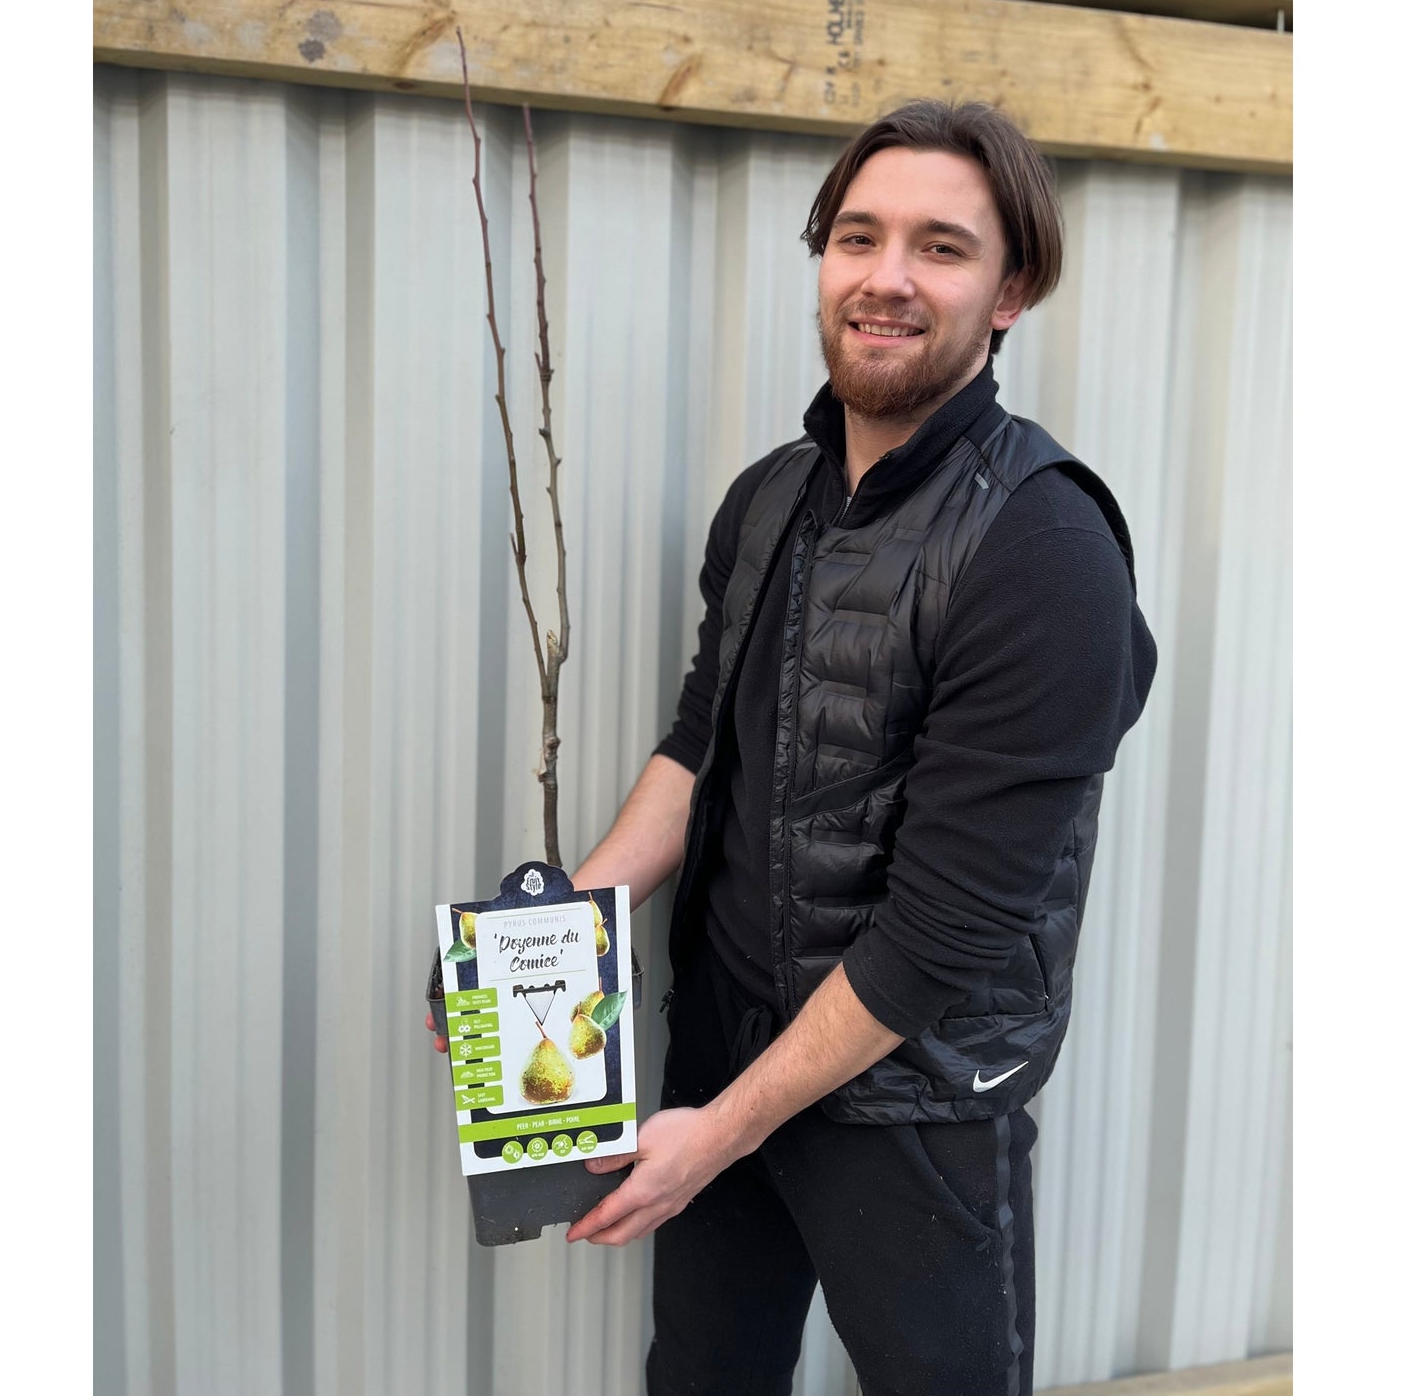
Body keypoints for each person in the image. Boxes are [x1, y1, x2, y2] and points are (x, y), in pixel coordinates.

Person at [432, 98, 1156, 1396]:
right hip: (725, 1042)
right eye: (858, 237)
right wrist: (536, 952)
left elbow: (945, 933)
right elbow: (697, 752)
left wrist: (722, 1133)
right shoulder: (770, 499)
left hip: (916, 1096)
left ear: (1013, 289)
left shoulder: (1044, 550)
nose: (885, 278)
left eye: (940, 247)